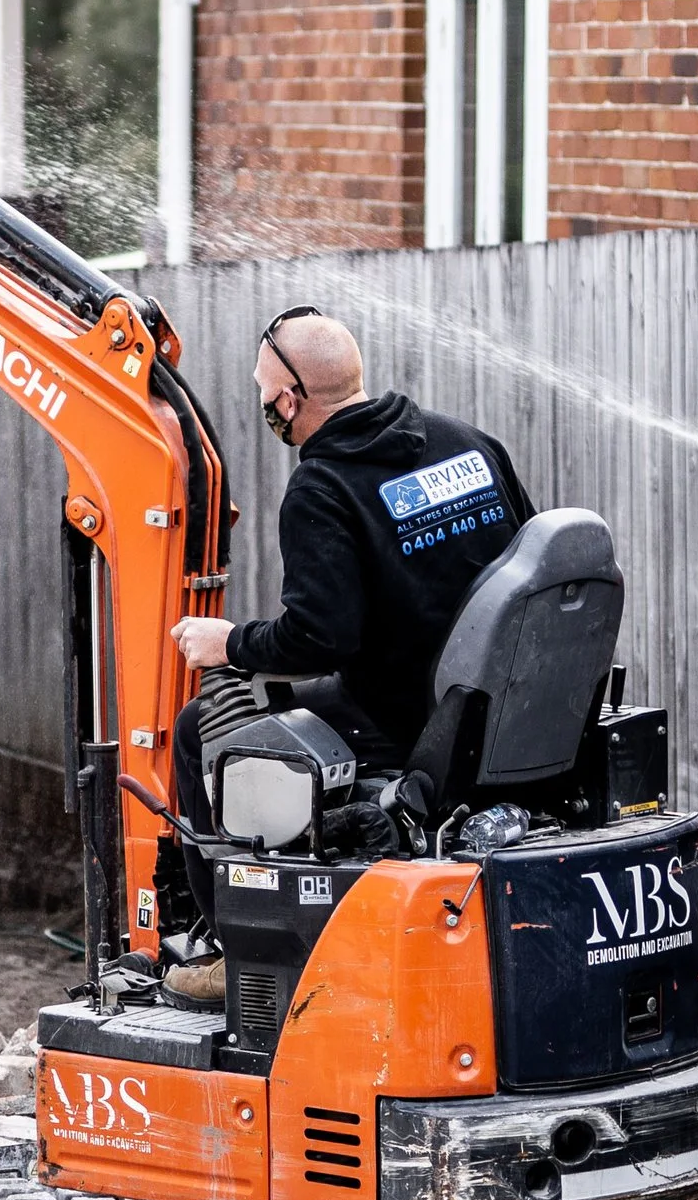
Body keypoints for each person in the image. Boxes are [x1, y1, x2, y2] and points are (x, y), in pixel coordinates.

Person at [163, 309, 531, 999]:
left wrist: (229, 642)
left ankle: (232, 950)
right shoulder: (468, 445)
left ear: (289, 401)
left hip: (406, 719)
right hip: (504, 711)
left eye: (262, 390)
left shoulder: (322, 489)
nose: (263, 403)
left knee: (197, 733)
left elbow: (318, 641)